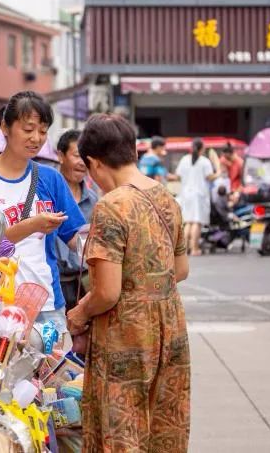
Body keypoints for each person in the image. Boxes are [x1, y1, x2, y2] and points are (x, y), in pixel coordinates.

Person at [67, 114, 190, 452]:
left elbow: (107, 292)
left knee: (122, 427)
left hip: (126, 334)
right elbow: (180, 270)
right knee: (163, 423)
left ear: (93, 163)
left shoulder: (111, 206)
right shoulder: (167, 198)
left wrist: (79, 313)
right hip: (171, 327)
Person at [0, 91, 86, 330]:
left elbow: (76, 237)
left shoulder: (50, 179)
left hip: (47, 304)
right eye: (28, 129)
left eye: (43, 131)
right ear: (5, 126)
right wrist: (31, 226)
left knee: (53, 368)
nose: (36, 138)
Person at [55, 129, 98, 311]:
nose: (82, 163)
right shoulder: (48, 192)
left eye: (86, 158)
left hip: (84, 281)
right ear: (61, 156)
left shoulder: (94, 198)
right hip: (56, 282)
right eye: (77, 156)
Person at [173, 139, 221, 256]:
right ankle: (194, 248)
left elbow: (178, 176)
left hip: (185, 194)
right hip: (199, 195)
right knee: (196, 222)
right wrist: (218, 172)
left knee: (188, 222)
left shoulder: (184, 159)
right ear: (202, 149)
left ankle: (184, 249)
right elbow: (209, 177)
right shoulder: (204, 161)